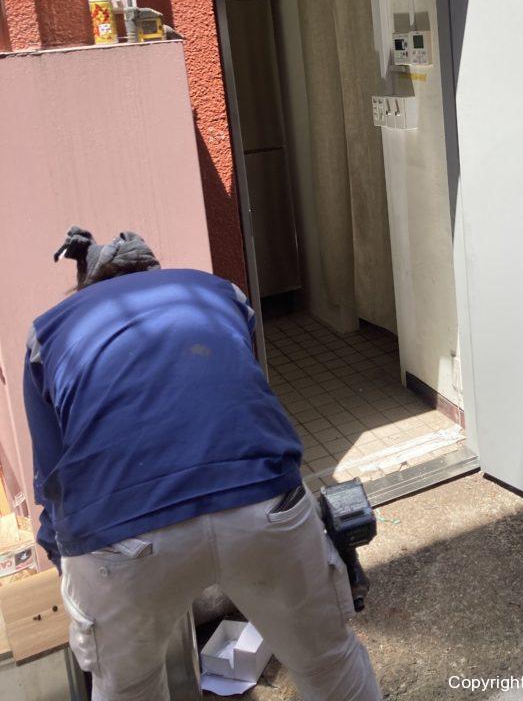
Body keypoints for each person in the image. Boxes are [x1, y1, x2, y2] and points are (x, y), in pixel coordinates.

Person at [23, 226, 381, 701]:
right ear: (152, 269)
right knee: (329, 663)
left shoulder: (47, 333)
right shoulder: (218, 292)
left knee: (129, 689)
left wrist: (67, 564)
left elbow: (51, 478)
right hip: (262, 502)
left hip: (120, 533)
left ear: (86, 286)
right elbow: (235, 387)